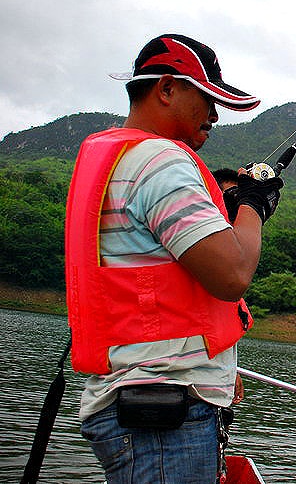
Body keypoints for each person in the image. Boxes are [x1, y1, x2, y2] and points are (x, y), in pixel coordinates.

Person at [65, 34, 283, 483]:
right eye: (205, 98)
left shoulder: (118, 160)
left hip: (146, 407)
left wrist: (220, 372)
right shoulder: (160, 162)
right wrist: (254, 205)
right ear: (167, 89)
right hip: (163, 421)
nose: (214, 114)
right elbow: (232, 273)